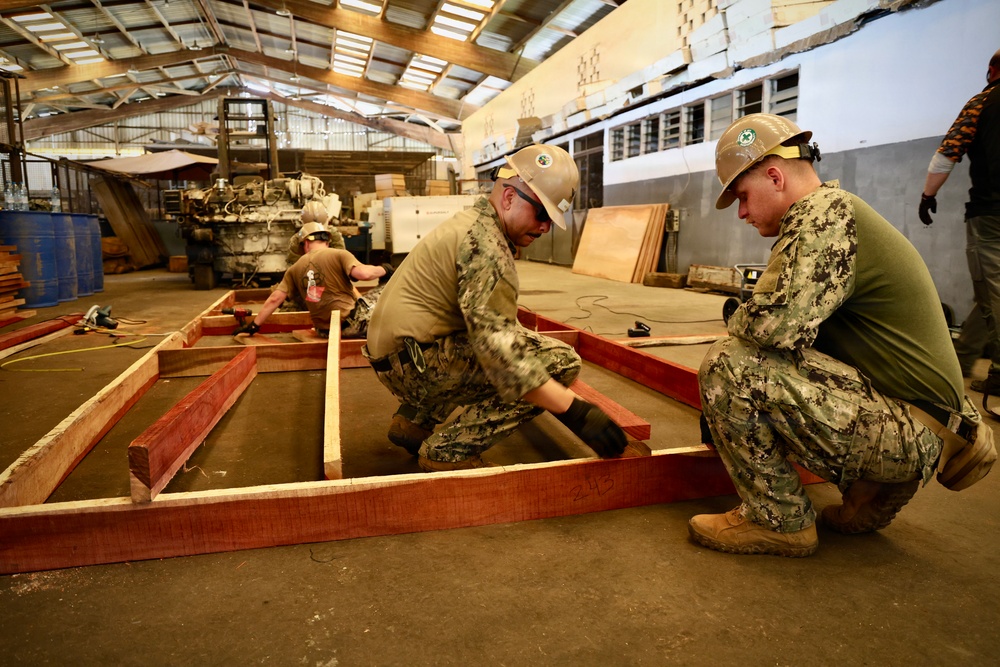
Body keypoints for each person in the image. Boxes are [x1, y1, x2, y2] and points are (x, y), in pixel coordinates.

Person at [692, 113, 995, 558]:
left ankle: (777, 519)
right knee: (754, 358)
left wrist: (736, 328)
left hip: (912, 429)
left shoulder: (822, 217)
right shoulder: (837, 212)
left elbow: (775, 326)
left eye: (742, 196)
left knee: (729, 364)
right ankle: (871, 485)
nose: (741, 212)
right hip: (929, 422)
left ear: (775, 176)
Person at [362, 144, 627, 472]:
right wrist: (575, 410)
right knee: (559, 362)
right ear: (509, 197)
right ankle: (449, 449)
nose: (545, 227)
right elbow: (500, 354)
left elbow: (485, 323)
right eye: (542, 214)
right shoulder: (487, 248)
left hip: (397, 357)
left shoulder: (471, 221)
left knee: (503, 336)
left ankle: (414, 421)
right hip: (418, 367)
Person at [919, 48, 1000, 391]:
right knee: (988, 293)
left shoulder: (983, 101)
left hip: (992, 213)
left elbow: (948, 154)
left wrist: (928, 196)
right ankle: (963, 357)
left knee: (994, 289)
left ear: (992, 70)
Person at [236, 221, 391, 339]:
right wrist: (385, 269)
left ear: (306, 243)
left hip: (324, 331)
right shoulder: (338, 254)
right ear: (326, 240)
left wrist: (254, 326)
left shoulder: (294, 268)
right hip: (352, 325)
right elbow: (363, 274)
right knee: (388, 291)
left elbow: (274, 299)